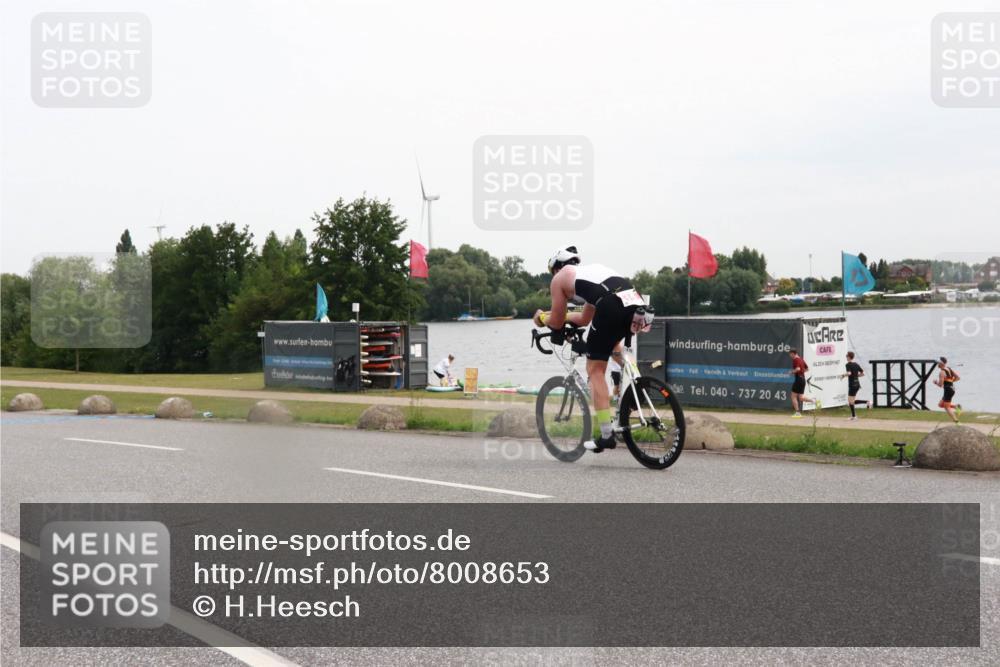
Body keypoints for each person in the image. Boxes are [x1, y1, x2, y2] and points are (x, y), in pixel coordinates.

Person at [533, 246, 652, 453]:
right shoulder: (590, 276)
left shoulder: (559, 278)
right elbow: (583, 319)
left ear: (556, 268)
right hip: (635, 303)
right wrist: (560, 317)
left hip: (611, 304)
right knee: (612, 344)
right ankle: (638, 383)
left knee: (595, 369)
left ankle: (606, 435)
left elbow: (557, 322)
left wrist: (542, 318)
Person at [788, 348, 818, 418]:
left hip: (798, 379)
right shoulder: (801, 359)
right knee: (801, 398)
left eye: (790, 354)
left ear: (793, 353)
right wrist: (801, 372)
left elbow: (798, 369)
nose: (790, 356)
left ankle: (797, 413)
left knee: (793, 396)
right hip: (802, 380)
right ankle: (813, 401)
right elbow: (807, 369)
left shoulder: (796, 360)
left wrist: (791, 372)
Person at [932, 356, 961, 423]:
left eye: (938, 363)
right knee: (940, 405)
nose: (937, 364)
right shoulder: (949, 369)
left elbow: (940, 385)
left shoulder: (942, 372)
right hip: (951, 389)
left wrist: (935, 382)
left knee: (947, 407)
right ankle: (956, 407)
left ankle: (957, 421)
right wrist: (950, 381)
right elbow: (957, 378)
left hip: (948, 390)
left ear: (941, 363)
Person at [840, 351, 865, 421]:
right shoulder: (856, 364)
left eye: (847, 356)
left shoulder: (848, 364)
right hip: (857, 384)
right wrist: (856, 376)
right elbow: (862, 374)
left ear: (849, 357)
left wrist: (843, 375)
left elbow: (849, 373)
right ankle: (854, 416)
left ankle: (867, 402)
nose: (846, 357)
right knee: (852, 401)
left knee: (850, 401)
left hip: (852, 385)